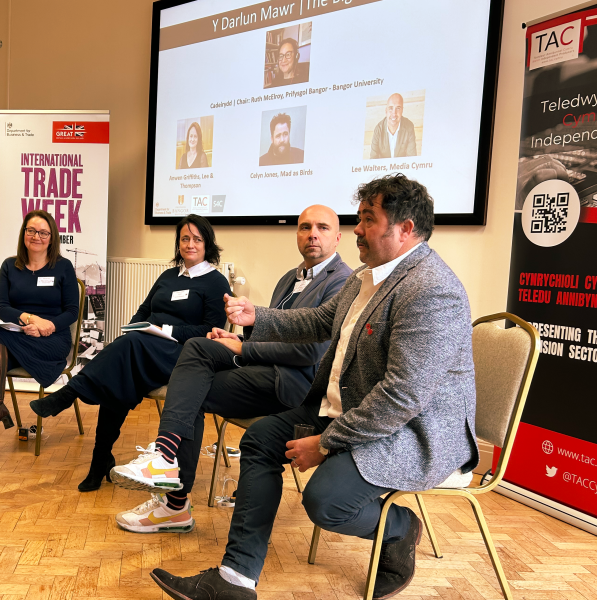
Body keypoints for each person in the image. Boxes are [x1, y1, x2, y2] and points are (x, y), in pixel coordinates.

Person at [149, 174, 479, 600]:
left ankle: (401, 528)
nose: (356, 229)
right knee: (261, 438)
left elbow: (402, 398)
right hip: (352, 409)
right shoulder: (367, 275)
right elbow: (322, 321)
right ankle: (236, 580)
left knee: (326, 502)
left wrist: (325, 443)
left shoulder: (431, 290)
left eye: (367, 219)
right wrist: (257, 316)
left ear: (406, 228)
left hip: (414, 431)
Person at [109, 205, 352, 533]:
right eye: (305, 227)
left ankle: (174, 501)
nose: (312, 234)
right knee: (197, 349)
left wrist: (242, 347)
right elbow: (269, 329)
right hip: (265, 369)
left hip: (296, 384)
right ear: (296, 233)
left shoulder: (342, 282)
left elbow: (312, 349)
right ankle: (166, 464)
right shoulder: (289, 279)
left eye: (322, 228)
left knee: (189, 389)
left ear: (337, 237)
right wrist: (236, 336)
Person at [29, 214, 232, 492]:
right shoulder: (168, 276)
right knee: (121, 372)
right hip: (146, 350)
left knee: (127, 353)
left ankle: (71, 393)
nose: (190, 244)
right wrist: (138, 327)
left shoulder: (216, 282)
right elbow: (142, 311)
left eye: (197, 239)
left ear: (208, 244)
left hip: (184, 356)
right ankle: (100, 461)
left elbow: (210, 332)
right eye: (185, 238)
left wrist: (166, 330)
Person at [0, 210, 80, 467]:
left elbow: (72, 311)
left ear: (52, 238)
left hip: (51, 340)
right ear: (23, 234)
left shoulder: (62, 267)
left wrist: (45, 325)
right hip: (18, 334)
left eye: (43, 232)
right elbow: (3, 308)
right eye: (31, 230)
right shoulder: (10, 266)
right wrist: (29, 320)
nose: (36, 236)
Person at [370, 93, 418, 159]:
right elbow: (373, 160)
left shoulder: (409, 127)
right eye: (390, 108)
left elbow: (412, 159)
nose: (394, 113)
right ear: (386, 111)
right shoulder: (378, 129)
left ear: (402, 111)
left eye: (398, 108)